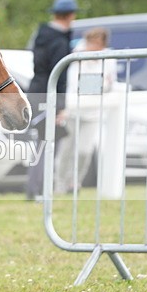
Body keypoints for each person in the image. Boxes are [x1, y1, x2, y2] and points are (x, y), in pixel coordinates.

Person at [25, 0, 78, 201]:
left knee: (40, 143)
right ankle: (39, 189)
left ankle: (35, 187)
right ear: (70, 15)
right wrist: (61, 105)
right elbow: (61, 74)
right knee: (47, 143)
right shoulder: (59, 41)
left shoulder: (42, 35)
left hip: (36, 89)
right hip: (49, 93)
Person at [54, 27, 116, 193]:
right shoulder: (76, 56)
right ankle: (59, 184)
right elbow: (76, 85)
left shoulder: (109, 58)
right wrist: (99, 84)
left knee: (84, 151)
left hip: (94, 113)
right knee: (66, 150)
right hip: (72, 111)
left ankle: (75, 183)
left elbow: (109, 84)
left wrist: (100, 85)